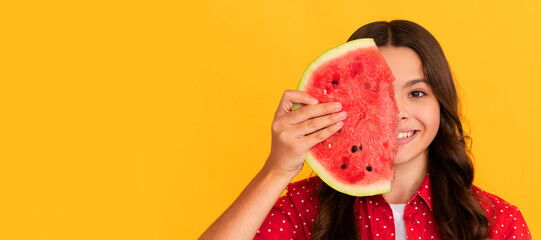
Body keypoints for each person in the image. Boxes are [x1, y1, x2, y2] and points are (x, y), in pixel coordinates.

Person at [199, 20, 531, 240]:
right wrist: (277, 170)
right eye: (377, 94)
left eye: (416, 93)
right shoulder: (304, 211)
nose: (397, 113)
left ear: (441, 105)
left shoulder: (498, 222)